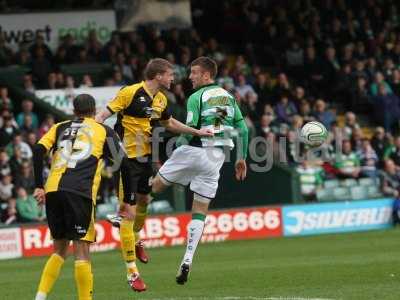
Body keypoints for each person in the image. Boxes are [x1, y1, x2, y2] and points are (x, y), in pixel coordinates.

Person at [95, 58, 213, 292]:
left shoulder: (160, 99)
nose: (173, 78)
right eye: (170, 75)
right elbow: (102, 116)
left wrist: (197, 131)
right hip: (124, 161)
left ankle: (136, 238)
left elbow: (169, 123)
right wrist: (96, 137)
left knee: (144, 202)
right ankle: (132, 273)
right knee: (127, 213)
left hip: (145, 159)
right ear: (158, 75)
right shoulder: (130, 92)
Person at [149, 57, 248, 284]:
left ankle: (126, 217)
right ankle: (187, 259)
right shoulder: (229, 97)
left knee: (153, 187)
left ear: (206, 75)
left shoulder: (196, 97)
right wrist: (241, 157)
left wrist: (174, 154)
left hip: (195, 150)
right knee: (200, 210)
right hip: (217, 158)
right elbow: (242, 129)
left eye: (194, 73)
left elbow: (191, 130)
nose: (190, 77)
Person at [33, 94, 125, 300]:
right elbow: (124, 164)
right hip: (80, 192)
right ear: (94, 110)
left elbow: (38, 149)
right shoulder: (103, 130)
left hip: (53, 190)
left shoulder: (59, 127)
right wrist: (127, 199)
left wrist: (39, 186)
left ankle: (40, 297)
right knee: (82, 250)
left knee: (59, 249)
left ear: (74, 111)